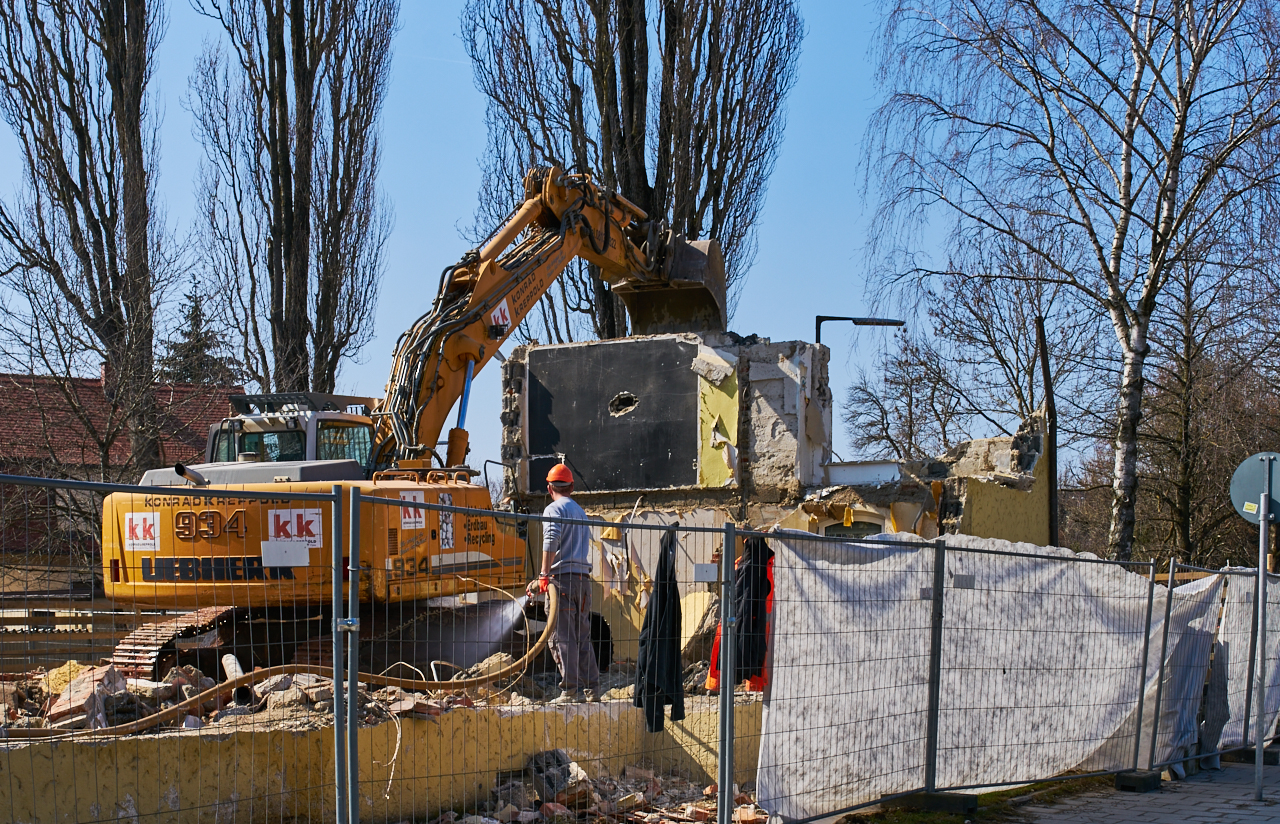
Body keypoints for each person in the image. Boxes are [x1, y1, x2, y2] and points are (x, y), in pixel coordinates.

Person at [527, 463, 600, 703]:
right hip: (583, 582)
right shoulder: (580, 512)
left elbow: (551, 539)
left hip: (563, 583)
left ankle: (570, 691)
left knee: (561, 636)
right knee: (582, 636)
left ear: (549, 487)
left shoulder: (552, 509)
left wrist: (543, 575)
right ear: (572, 486)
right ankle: (592, 690)